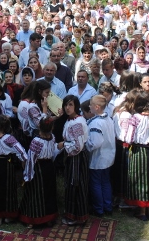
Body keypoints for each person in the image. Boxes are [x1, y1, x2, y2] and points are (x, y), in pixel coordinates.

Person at [120, 91, 149, 220]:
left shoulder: (135, 118)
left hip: (139, 151)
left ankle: (142, 211)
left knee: (140, 180)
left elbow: (128, 138)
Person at [0, 115, 28, 225]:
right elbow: (21, 151)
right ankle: (8, 216)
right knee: (8, 189)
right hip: (6, 165)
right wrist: (24, 161)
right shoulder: (9, 139)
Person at [19, 118, 60, 228]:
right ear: (52, 128)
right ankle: (49, 218)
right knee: (48, 192)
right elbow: (52, 151)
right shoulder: (52, 138)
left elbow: (31, 159)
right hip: (49, 167)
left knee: (36, 193)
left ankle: (32, 219)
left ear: (39, 127)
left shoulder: (36, 141)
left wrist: (27, 175)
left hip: (39, 169)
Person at [56, 96, 90, 226]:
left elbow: (78, 145)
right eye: (66, 105)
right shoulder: (71, 120)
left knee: (76, 185)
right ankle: (72, 214)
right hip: (72, 157)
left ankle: (77, 216)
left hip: (77, 158)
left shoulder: (78, 122)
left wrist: (64, 145)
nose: (67, 108)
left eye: (70, 105)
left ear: (76, 106)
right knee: (71, 185)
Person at [86, 95, 117, 217]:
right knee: (105, 182)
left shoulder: (96, 123)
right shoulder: (108, 119)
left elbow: (95, 143)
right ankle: (107, 206)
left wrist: (85, 143)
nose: (89, 107)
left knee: (96, 183)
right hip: (108, 157)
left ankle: (99, 209)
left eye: (91, 105)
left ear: (97, 107)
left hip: (98, 158)